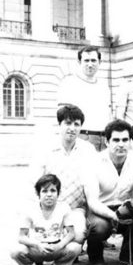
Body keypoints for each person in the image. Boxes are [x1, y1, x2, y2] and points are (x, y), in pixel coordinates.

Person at [85, 119, 133, 265]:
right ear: (107, 142)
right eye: (116, 140)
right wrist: (113, 215)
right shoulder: (93, 162)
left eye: (125, 140)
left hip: (126, 206)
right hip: (101, 209)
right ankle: (95, 254)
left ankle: (129, 256)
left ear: (130, 141)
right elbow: (92, 201)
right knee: (99, 227)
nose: (121, 144)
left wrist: (131, 206)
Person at [30, 105, 97, 245]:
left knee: (78, 235)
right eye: (67, 123)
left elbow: (92, 184)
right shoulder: (44, 148)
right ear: (59, 124)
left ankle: (63, 260)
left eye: (76, 124)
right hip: (48, 208)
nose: (72, 128)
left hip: (75, 209)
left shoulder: (88, 150)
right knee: (38, 239)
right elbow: (33, 183)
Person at [10, 174, 82, 265]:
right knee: (15, 251)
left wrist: (60, 245)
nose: (49, 195)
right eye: (44, 191)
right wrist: (37, 245)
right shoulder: (30, 209)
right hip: (37, 248)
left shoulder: (64, 207)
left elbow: (71, 233)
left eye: (53, 191)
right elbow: (21, 237)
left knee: (75, 247)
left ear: (58, 193)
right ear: (38, 194)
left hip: (56, 248)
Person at [57, 46, 112, 150]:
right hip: (82, 137)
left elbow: (108, 115)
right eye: (86, 60)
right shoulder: (69, 83)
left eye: (93, 61)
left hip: (103, 140)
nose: (90, 64)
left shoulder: (104, 86)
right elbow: (62, 117)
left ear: (99, 62)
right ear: (79, 62)